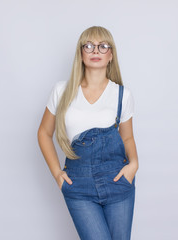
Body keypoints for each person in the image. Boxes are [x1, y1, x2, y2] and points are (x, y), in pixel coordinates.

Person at [37, 26, 139, 240]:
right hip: (78, 183)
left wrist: (134, 165)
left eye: (103, 46)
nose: (96, 51)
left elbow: (127, 137)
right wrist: (57, 174)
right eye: (89, 46)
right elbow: (44, 133)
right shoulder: (61, 91)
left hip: (117, 180)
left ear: (111, 55)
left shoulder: (122, 94)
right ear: (81, 54)